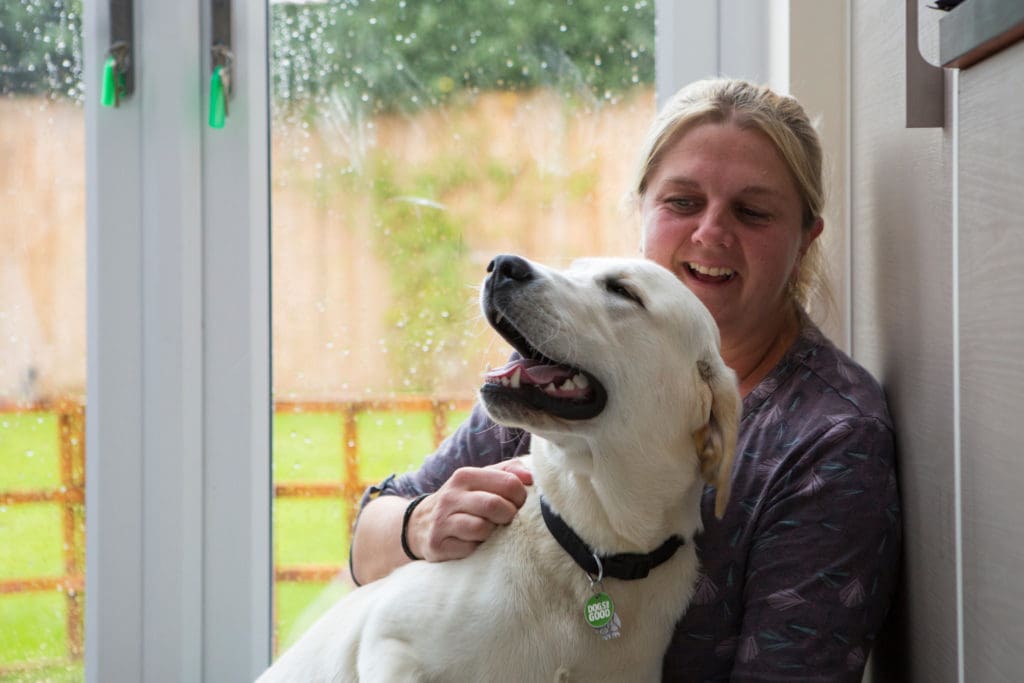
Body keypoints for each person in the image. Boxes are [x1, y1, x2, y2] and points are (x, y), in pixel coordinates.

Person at [349, 78, 901, 681]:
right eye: (682, 202)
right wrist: (419, 524)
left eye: (752, 212)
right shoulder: (569, 370)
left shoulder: (828, 436)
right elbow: (365, 544)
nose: (711, 233)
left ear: (804, 240)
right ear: (642, 208)